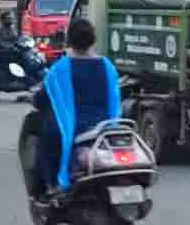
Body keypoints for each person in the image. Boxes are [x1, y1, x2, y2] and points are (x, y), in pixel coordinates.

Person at [31, 18, 122, 201]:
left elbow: (41, 98)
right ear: (93, 40)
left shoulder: (60, 69)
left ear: (69, 40)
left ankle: (51, 186)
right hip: (106, 127)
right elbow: (116, 97)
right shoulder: (107, 66)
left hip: (75, 128)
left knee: (46, 140)